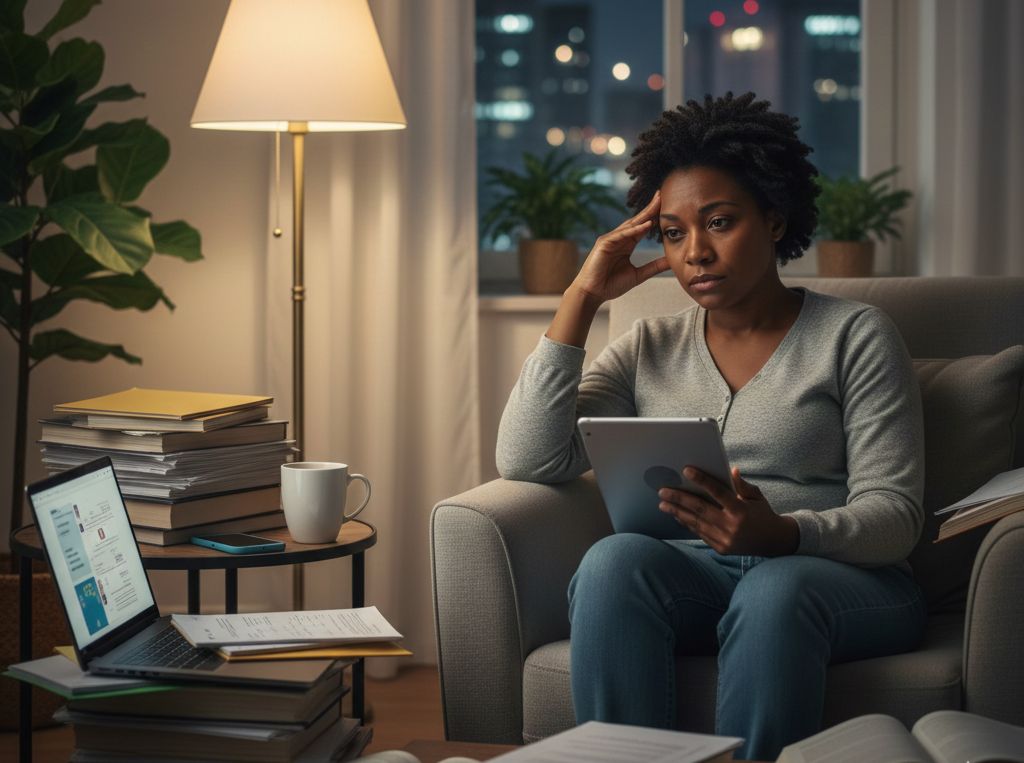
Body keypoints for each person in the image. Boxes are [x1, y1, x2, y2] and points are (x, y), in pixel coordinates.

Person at [495, 92, 927, 761]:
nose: (695, 252)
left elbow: (897, 516)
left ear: (774, 218)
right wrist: (581, 296)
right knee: (612, 562)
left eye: (719, 222)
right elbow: (528, 457)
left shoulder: (855, 336)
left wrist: (786, 534)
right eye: (673, 233)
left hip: (836, 580)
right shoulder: (648, 346)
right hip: (698, 577)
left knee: (776, 588)